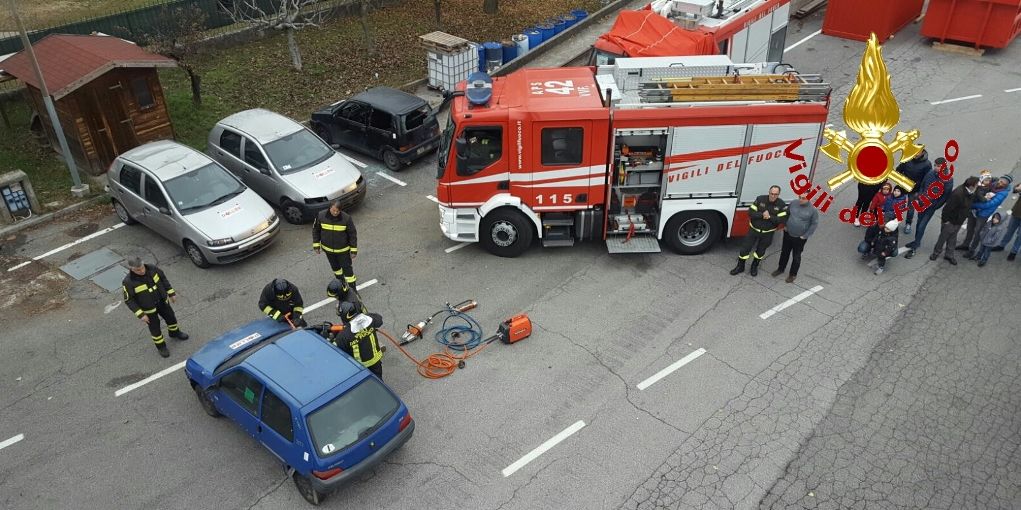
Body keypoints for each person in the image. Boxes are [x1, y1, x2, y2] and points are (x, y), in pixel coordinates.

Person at [122, 257, 187, 358]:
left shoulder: (152, 268)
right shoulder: (128, 282)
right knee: (155, 329)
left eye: (142, 268)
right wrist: (141, 314)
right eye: (138, 270)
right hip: (148, 310)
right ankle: (161, 347)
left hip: (162, 302)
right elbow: (129, 300)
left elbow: (163, 279)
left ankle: (174, 333)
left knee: (171, 318)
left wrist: (171, 293)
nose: (141, 271)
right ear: (131, 269)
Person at [730, 185, 787, 277]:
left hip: (767, 234)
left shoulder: (781, 205)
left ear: (779, 194)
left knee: (760, 252)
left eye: (776, 194)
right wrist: (762, 215)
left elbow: (782, 220)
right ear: (769, 192)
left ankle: (754, 267)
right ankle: (740, 266)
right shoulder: (760, 199)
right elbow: (750, 212)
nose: (773, 196)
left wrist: (770, 217)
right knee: (745, 249)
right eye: (771, 193)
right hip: (753, 230)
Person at [905, 157, 952, 258]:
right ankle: (916, 241)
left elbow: (945, 196)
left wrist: (935, 206)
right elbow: (923, 185)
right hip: (922, 202)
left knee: (922, 225)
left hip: (931, 206)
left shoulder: (948, 180)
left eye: (938, 166)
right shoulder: (930, 173)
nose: (935, 167)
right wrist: (920, 196)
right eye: (935, 165)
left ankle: (915, 246)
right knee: (919, 223)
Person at [930, 176, 980, 265]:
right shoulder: (958, 194)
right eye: (976, 185)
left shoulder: (971, 192)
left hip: (959, 221)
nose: (978, 186)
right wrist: (945, 221)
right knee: (943, 238)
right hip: (950, 221)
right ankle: (936, 253)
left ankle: (949, 255)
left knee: (953, 239)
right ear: (971, 186)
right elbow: (947, 209)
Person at [771, 193, 818, 283]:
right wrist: (784, 225)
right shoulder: (793, 203)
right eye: (799, 197)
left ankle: (792, 274)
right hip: (788, 234)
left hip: (800, 238)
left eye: (803, 198)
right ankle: (780, 269)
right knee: (784, 252)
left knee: (796, 256)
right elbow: (787, 214)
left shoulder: (813, 210)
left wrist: (805, 236)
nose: (800, 200)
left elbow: (814, 224)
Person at [332, 300, 384, 380]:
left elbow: (337, 350)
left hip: (360, 367)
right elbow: (379, 320)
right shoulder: (370, 320)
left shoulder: (343, 335)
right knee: (378, 382)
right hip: (376, 362)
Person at [312, 199, 358, 289]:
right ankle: (341, 285)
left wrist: (353, 250)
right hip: (328, 251)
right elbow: (316, 230)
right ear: (330, 207)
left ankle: (353, 289)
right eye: (334, 210)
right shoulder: (321, 216)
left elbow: (352, 234)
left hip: (343, 251)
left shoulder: (346, 218)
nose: (335, 213)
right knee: (336, 269)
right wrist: (316, 245)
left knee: (348, 272)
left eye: (338, 211)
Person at [962, 175, 1012, 258]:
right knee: (970, 228)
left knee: (978, 232)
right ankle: (965, 244)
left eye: (1003, 183)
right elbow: (982, 179)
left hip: (983, 214)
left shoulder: (1003, 193)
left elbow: (989, 204)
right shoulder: (992, 182)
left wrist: (972, 205)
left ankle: (972, 250)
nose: (1000, 183)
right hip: (975, 210)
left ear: (1006, 185)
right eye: (1000, 181)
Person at [895, 149, 933, 235]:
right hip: (903, 186)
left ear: (922, 153)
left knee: (910, 208)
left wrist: (919, 188)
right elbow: (899, 169)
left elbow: (926, 178)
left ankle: (908, 224)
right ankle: (894, 220)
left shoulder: (927, 164)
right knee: (897, 203)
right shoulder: (907, 158)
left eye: (918, 152)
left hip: (915, 189)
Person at [997, 183, 1021, 261]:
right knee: (1009, 230)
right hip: (1016, 212)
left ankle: (1013, 252)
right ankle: (1002, 245)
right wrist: (1017, 188)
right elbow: (1015, 189)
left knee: (1020, 236)